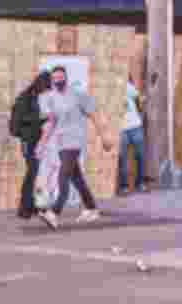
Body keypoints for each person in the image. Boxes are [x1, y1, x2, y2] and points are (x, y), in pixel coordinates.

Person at [36, 65, 113, 230]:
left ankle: (54, 213)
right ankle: (91, 208)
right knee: (75, 177)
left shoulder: (78, 95)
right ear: (52, 80)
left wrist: (104, 135)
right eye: (55, 78)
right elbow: (51, 123)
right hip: (61, 142)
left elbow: (94, 114)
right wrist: (42, 143)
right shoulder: (52, 98)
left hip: (75, 140)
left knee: (63, 175)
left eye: (61, 77)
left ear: (66, 78)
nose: (58, 80)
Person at [10, 71, 51, 219]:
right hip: (28, 141)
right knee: (32, 173)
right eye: (46, 87)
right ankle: (24, 207)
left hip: (35, 140)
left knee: (34, 173)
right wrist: (40, 119)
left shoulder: (34, 96)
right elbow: (19, 122)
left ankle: (29, 204)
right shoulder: (25, 98)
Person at [118, 74, 146, 194]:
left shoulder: (128, 86)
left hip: (135, 126)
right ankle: (124, 186)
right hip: (121, 128)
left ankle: (140, 183)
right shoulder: (109, 90)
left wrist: (141, 111)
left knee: (140, 155)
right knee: (121, 158)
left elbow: (139, 99)